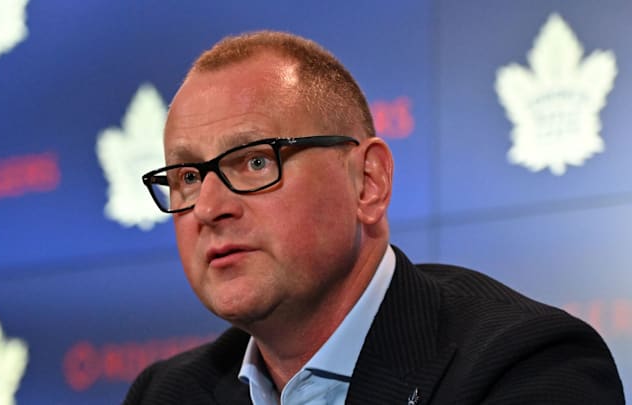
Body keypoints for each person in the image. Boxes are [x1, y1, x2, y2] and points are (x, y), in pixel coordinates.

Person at [124, 31, 624, 404]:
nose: (209, 208)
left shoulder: (523, 366)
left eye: (255, 161)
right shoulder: (166, 394)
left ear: (368, 183)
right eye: (188, 177)